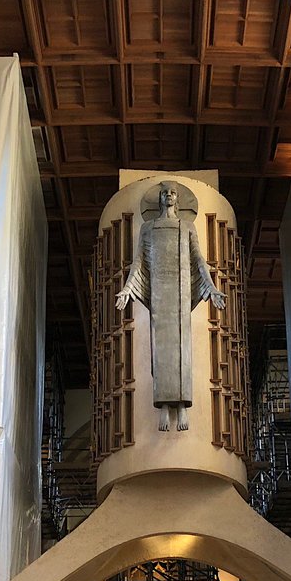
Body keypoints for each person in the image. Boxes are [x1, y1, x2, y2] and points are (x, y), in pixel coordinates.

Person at [116, 181, 226, 432]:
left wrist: (211, 287)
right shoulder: (148, 228)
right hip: (159, 292)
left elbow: (198, 259)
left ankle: (183, 405)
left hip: (181, 291)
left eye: (173, 193)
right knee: (160, 349)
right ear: (159, 199)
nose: (168, 196)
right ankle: (164, 405)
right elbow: (138, 261)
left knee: (182, 348)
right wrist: (127, 288)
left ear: (178, 199)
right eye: (164, 193)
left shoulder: (186, 227)